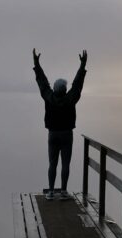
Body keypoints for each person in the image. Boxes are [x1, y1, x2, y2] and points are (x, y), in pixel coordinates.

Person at [33, 48, 87, 200]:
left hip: (53, 134)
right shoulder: (70, 99)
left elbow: (42, 83)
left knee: (52, 163)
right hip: (66, 135)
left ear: (55, 89)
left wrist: (36, 64)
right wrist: (82, 66)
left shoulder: (49, 97)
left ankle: (50, 192)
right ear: (64, 90)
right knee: (65, 164)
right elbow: (77, 85)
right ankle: (63, 191)